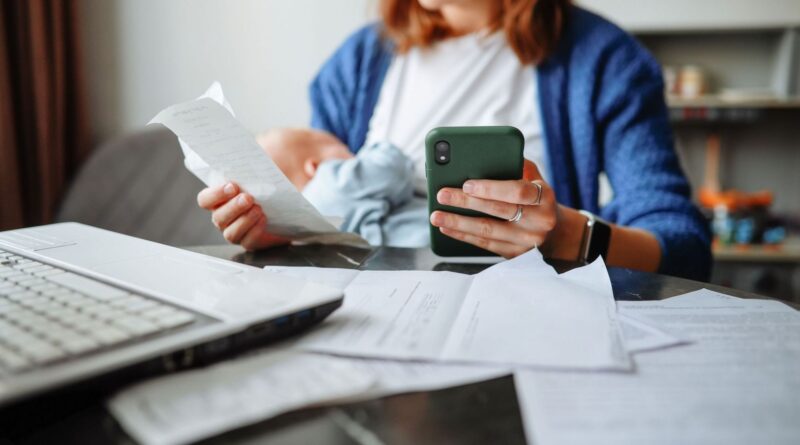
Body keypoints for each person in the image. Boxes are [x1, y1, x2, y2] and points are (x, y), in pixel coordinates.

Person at [197, 0, 712, 281]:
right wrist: (285, 229)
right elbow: (333, 214)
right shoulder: (356, 66)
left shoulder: (604, 61)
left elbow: (683, 249)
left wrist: (567, 237)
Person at [257, 128, 428, 247]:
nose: (353, 155)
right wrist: (378, 148)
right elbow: (395, 170)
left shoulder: (301, 230)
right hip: (431, 243)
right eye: (341, 147)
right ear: (314, 166)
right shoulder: (332, 180)